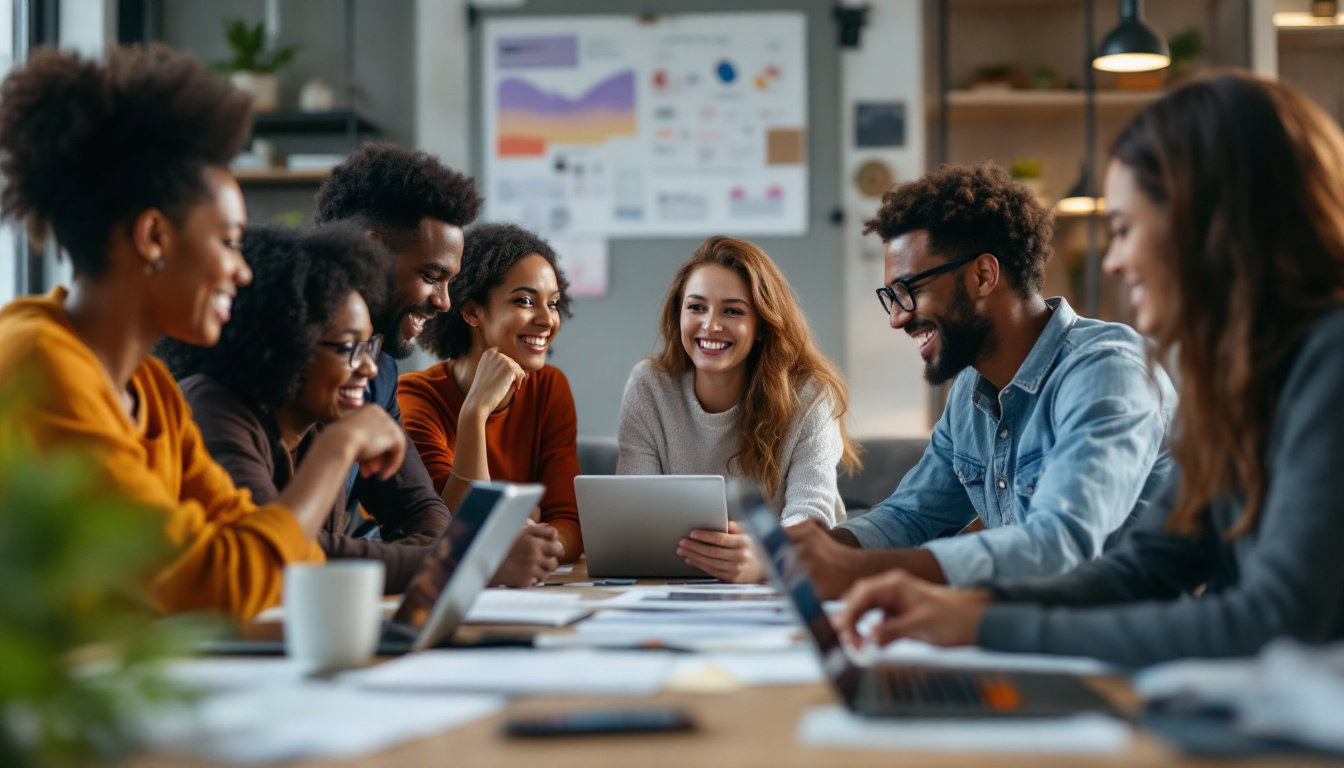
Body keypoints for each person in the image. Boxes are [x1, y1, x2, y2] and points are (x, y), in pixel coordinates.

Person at [838, 73, 1344, 668]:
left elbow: (1274, 621)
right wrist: (974, 616)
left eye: (1125, 229)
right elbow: (1148, 567)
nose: (1113, 260)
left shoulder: (1328, 363)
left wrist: (981, 624)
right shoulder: (1239, 382)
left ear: (1212, 227)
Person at [0, 45, 403, 619]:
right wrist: (338, 449)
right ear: (154, 237)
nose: (242, 270)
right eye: (229, 241)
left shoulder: (152, 390)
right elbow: (215, 582)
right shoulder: (41, 364)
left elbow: (276, 558)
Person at [787, 163, 1175, 598]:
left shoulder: (1108, 370)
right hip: (1023, 633)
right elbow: (911, 516)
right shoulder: (970, 392)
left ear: (983, 276)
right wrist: (810, 550)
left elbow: (1061, 542)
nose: (897, 318)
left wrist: (857, 568)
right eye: (890, 299)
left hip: (1119, 646)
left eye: (908, 290)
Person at [156, 225, 445, 594]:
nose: (370, 368)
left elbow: (418, 511)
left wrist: (443, 556)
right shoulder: (211, 411)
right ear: (285, 345)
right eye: (348, 348)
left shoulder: (325, 414)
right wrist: (448, 562)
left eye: (369, 347)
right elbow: (279, 556)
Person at [617, 236, 862, 583]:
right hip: (674, 581)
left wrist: (767, 557)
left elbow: (812, 516)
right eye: (696, 307)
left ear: (762, 324)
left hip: (786, 580)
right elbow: (635, 510)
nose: (711, 325)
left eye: (732, 310)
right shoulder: (649, 386)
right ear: (678, 314)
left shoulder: (810, 395)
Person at [399, 223, 578, 570]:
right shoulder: (416, 397)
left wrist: (532, 544)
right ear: (472, 312)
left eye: (553, 303)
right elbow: (449, 528)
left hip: (519, 580)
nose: (547, 319)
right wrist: (475, 413)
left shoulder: (549, 388)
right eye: (525, 301)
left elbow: (570, 522)